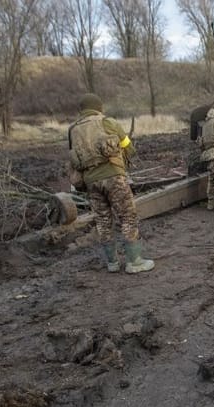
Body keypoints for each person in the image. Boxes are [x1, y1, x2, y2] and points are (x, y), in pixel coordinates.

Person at [67, 93, 155, 274]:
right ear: (99, 107)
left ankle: (112, 263)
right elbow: (128, 147)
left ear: (82, 109)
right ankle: (135, 262)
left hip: (91, 182)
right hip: (113, 178)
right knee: (127, 217)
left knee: (103, 221)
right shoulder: (107, 122)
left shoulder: (73, 130)